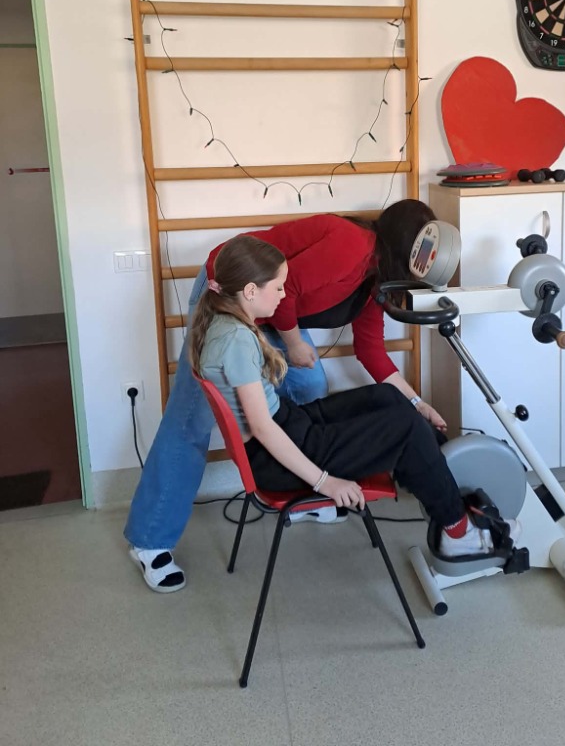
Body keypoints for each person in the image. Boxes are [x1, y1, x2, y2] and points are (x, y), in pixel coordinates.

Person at [125, 199, 449, 592]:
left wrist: (417, 403)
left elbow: (372, 351)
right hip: (235, 296)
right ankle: (150, 540)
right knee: (190, 418)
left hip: (271, 305)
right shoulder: (351, 245)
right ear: (401, 249)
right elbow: (288, 287)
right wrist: (294, 344)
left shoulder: (375, 280)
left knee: (310, 386)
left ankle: (302, 487)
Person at [189, 235, 495, 566]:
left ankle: (440, 480)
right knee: (406, 428)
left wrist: (418, 403)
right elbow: (263, 429)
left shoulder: (225, 321)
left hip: (288, 426)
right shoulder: (235, 340)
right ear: (250, 291)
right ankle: (458, 534)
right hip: (275, 460)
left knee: (387, 397)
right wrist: (326, 483)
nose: (283, 294)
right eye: (277, 287)